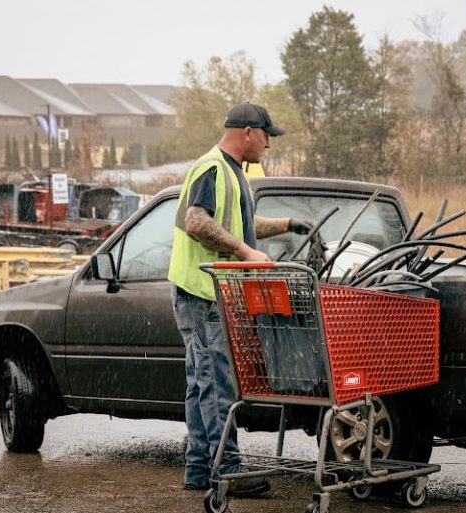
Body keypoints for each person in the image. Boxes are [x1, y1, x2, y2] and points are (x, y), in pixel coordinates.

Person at [167, 102, 312, 495]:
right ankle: (227, 469)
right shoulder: (213, 168)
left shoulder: (231, 173)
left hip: (198, 291)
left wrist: (286, 225)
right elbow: (197, 222)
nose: (268, 144)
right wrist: (247, 254)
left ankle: (199, 468)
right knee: (216, 383)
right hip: (203, 293)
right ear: (248, 132)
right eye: (267, 135)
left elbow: (237, 224)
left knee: (200, 383)